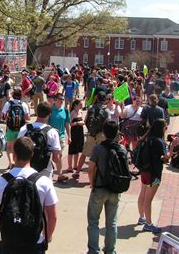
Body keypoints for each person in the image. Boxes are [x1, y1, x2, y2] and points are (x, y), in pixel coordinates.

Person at [0, 137, 58, 254]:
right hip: (34, 243)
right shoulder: (44, 182)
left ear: (14, 155)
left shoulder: (1, 181)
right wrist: (47, 237)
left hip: (9, 242)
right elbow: (52, 216)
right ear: (32, 154)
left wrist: (11, 220)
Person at [87, 120, 126, 254]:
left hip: (99, 188)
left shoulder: (98, 149)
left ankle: (93, 250)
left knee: (93, 221)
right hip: (115, 190)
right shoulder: (122, 149)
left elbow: (91, 169)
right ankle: (110, 250)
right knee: (112, 223)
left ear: (103, 132)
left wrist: (92, 184)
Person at [137, 119, 169, 234]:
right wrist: (171, 149)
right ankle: (149, 224)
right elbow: (165, 158)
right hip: (154, 174)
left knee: (142, 194)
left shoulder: (146, 139)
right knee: (148, 199)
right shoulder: (159, 142)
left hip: (145, 171)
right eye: (165, 128)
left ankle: (142, 217)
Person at [18, 101, 61, 179]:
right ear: (49, 114)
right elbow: (56, 158)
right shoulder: (52, 132)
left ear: (36, 112)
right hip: (44, 171)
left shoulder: (24, 128)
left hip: (25, 169)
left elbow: (17, 149)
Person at [73, 92, 109, 180]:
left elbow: (85, 121)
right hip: (101, 134)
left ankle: (77, 172)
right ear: (104, 99)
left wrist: (90, 130)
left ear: (97, 98)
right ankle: (99, 175)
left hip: (91, 134)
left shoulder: (91, 108)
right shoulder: (106, 111)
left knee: (84, 153)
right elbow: (107, 123)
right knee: (101, 155)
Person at [1, 88, 30, 168]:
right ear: (20, 96)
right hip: (21, 129)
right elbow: (28, 117)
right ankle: (17, 163)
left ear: (13, 95)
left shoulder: (8, 104)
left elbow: (3, 116)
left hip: (10, 128)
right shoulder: (23, 104)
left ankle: (11, 162)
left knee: (10, 147)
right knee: (18, 147)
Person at [48, 93, 71, 182]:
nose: (61, 101)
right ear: (55, 99)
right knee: (50, 156)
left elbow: (67, 124)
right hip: (50, 136)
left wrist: (69, 136)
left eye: (62, 99)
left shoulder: (65, 110)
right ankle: (49, 171)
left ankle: (60, 174)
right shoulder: (50, 110)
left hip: (61, 136)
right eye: (60, 99)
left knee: (59, 155)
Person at [68, 100, 84, 173]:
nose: (81, 105)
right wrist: (77, 123)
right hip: (74, 132)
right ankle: (70, 166)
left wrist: (80, 123)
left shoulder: (80, 111)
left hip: (80, 132)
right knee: (72, 149)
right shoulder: (72, 112)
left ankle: (75, 165)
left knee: (77, 149)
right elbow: (70, 124)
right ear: (75, 105)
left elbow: (83, 121)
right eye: (80, 104)